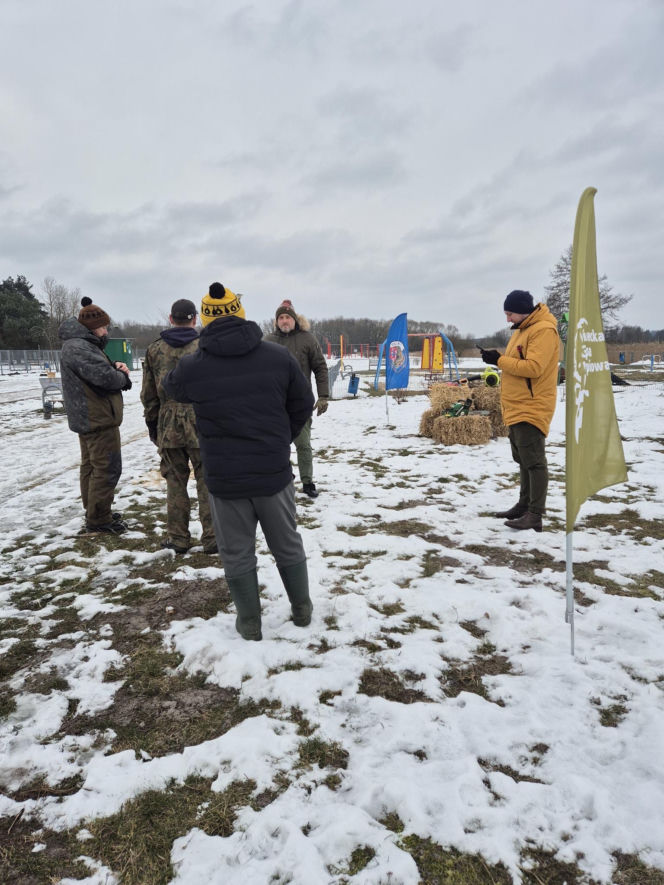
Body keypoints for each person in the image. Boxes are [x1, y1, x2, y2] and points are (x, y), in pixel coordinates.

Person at [162, 282, 315, 641]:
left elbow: (171, 387)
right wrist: (281, 439)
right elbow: (303, 403)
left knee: (236, 551)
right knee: (287, 542)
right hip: (272, 473)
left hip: (225, 478)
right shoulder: (278, 357)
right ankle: (302, 610)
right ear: (241, 314)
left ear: (206, 319)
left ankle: (249, 623)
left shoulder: (193, 366)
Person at [140, 298, 216, 555]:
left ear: (171, 319)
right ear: (194, 319)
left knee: (175, 481)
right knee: (207, 480)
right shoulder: (204, 346)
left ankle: (178, 537)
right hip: (202, 418)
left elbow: (148, 393)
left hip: (168, 419)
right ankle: (213, 537)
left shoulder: (154, 349)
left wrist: (153, 422)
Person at [480, 289, 560, 532]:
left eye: (510, 313)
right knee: (523, 459)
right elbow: (518, 362)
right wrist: (498, 359)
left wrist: (499, 361)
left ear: (523, 310)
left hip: (531, 406)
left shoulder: (543, 330)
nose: (507, 319)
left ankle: (535, 514)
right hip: (517, 405)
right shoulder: (524, 330)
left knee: (534, 462)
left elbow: (534, 368)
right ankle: (524, 504)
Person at [59, 297, 132, 534]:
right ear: (93, 328)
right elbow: (106, 379)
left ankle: (96, 512)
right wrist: (123, 377)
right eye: (103, 327)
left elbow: (99, 373)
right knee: (106, 468)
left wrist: (114, 366)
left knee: (91, 467)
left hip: (89, 416)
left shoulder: (82, 345)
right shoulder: (80, 347)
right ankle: (99, 519)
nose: (106, 330)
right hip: (96, 418)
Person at [264, 299, 329, 498]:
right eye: (281, 318)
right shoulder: (267, 342)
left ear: (294, 319)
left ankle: (308, 482)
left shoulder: (307, 339)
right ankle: (285, 477)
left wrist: (323, 395)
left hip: (300, 403)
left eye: (288, 317)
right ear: (277, 321)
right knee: (278, 444)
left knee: (303, 444)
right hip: (274, 404)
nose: (284, 321)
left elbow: (320, 367)